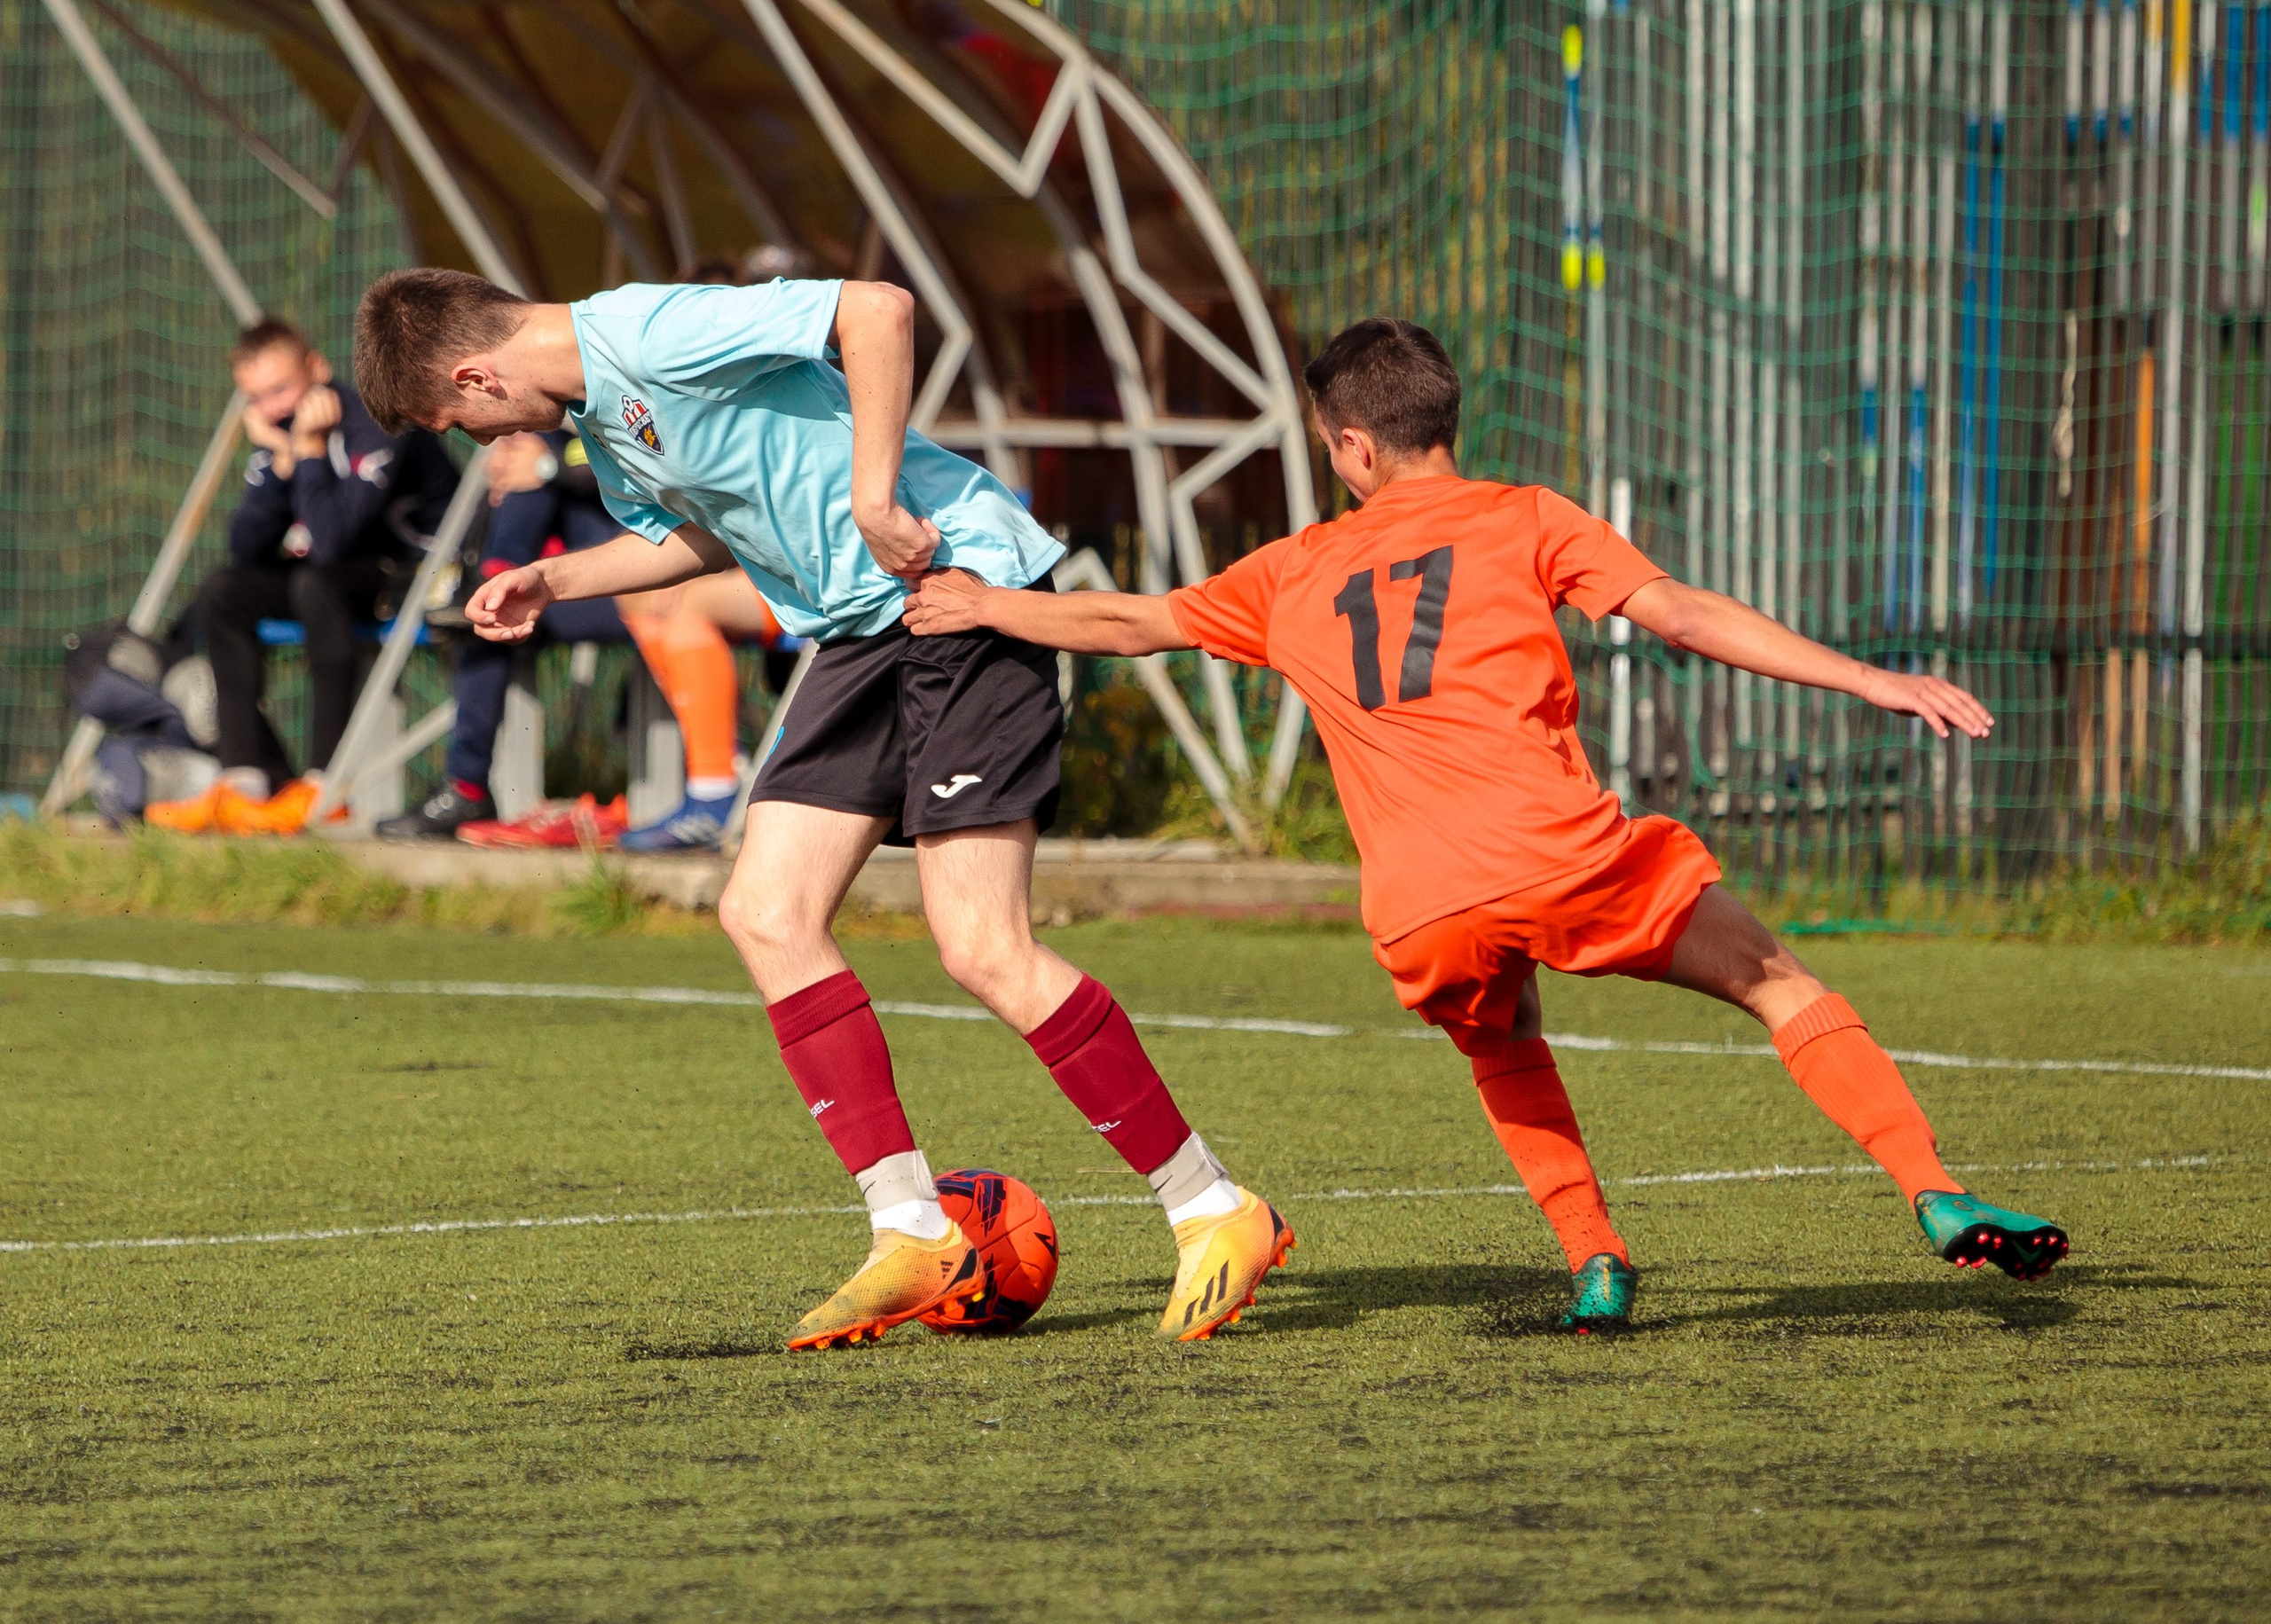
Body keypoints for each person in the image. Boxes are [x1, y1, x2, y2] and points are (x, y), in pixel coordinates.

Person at [904, 318, 2069, 1330]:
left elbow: (1130, 622)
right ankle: (1931, 1186)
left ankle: (1596, 1257)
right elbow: (1685, 615)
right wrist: (1872, 680)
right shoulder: (1524, 518)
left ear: (1351, 445)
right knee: (1776, 980)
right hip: (1563, 852)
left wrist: (984, 603)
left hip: (1421, 905)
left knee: (1501, 1036)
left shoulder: (1295, 569)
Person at [352, 268, 1293, 1348]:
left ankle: (1212, 1206)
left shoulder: (645, 330)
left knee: (982, 944)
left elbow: (876, 309)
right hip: (857, 634)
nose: (477, 435)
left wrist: (874, 493)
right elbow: (702, 534)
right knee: (765, 911)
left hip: (955, 594)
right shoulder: (605, 427)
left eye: (457, 421)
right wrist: (552, 582)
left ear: (473, 374)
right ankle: (911, 1227)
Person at [147, 320, 458, 835]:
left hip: (415, 576)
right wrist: (282, 462)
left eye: (281, 390)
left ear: (317, 369)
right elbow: (245, 547)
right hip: (333, 578)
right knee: (224, 592)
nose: (272, 409)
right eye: (256, 397)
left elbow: (332, 539)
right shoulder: (284, 437)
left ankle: (324, 783)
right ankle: (244, 780)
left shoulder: (378, 421)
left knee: (316, 583)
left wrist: (309, 451)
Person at [375, 429, 629, 841]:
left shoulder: (611, 404)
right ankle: (467, 789)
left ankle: (494, 576)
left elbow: (630, 468)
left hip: (642, 585)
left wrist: (546, 467)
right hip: (568, 586)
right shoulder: (534, 433)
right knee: (489, 624)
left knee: (537, 454)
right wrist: (506, 479)